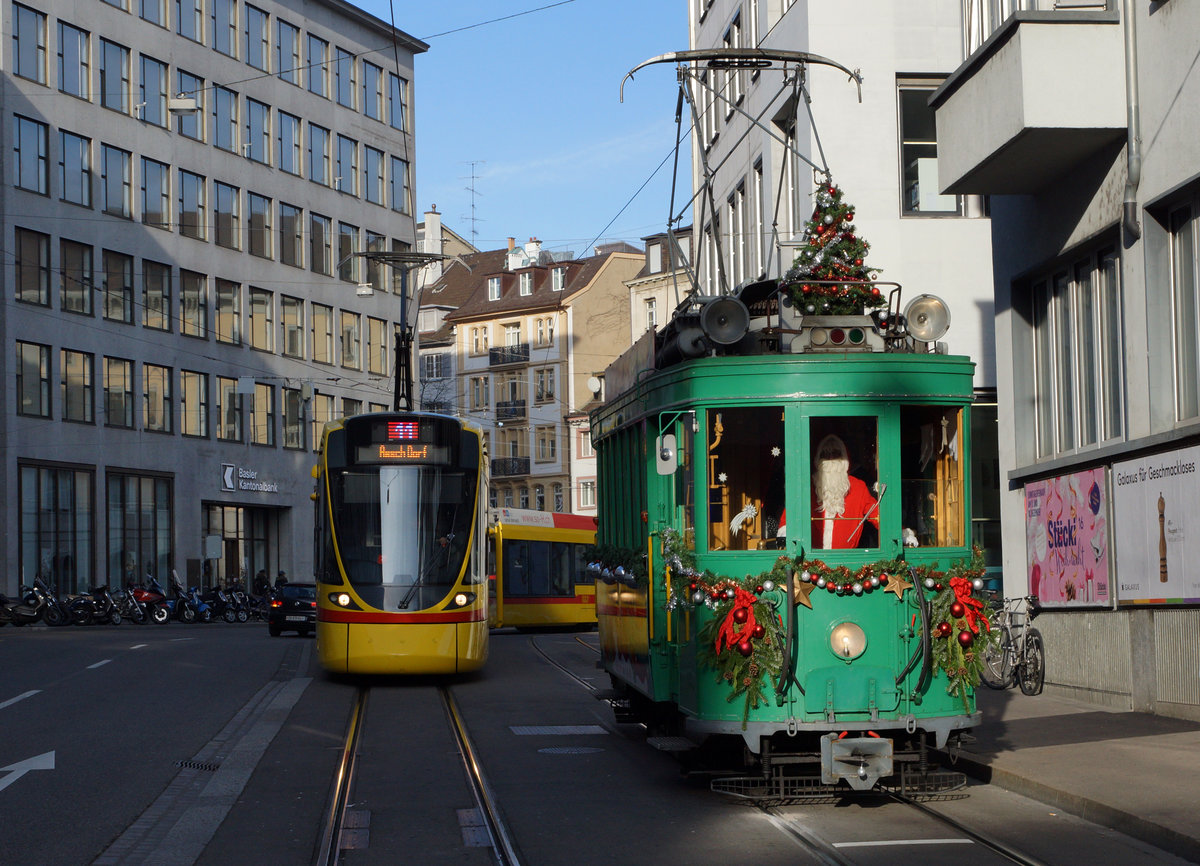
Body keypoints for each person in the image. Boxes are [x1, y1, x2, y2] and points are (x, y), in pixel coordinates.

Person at [811, 433, 879, 549]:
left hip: (846, 559)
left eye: (836, 454)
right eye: (825, 454)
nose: (831, 458)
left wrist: (900, 532)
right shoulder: (808, 487)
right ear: (818, 459)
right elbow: (791, 515)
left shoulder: (858, 487)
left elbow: (876, 514)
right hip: (812, 560)